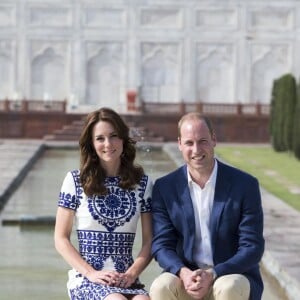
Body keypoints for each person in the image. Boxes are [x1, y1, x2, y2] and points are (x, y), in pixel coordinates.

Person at [150, 112, 265, 300]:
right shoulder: (165, 188)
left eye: (202, 141)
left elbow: (252, 247)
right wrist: (183, 272)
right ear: (179, 144)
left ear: (213, 140)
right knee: (161, 287)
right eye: (189, 143)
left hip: (229, 276)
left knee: (228, 287)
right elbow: (161, 245)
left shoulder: (245, 185)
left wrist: (213, 273)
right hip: (187, 280)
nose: (196, 149)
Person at [54, 107, 153, 300]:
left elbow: (150, 240)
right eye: (100, 138)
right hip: (88, 277)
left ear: (123, 139)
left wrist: (132, 274)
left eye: (114, 136)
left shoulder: (142, 183)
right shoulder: (75, 181)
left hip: (127, 277)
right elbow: (60, 238)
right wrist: (91, 273)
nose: (108, 144)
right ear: (91, 143)